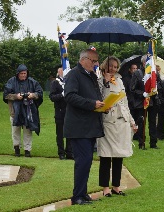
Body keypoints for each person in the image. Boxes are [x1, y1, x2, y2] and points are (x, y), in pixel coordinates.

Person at [63, 49, 106, 205]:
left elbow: (94, 96)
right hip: (78, 127)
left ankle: (83, 193)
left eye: (97, 61)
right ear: (84, 59)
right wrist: (92, 104)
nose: (96, 64)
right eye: (94, 61)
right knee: (83, 161)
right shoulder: (74, 74)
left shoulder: (91, 75)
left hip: (89, 125)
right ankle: (77, 197)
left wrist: (102, 106)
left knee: (87, 161)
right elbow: (69, 96)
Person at [97, 56, 137, 197]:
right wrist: (104, 82)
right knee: (106, 155)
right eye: (110, 66)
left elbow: (124, 102)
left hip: (121, 122)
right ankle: (105, 188)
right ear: (104, 66)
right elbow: (96, 96)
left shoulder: (119, 80)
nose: (113, 69)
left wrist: (132, 121)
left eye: (115, 67)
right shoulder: (98, 78)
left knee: (119, 155)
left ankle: (116, 186)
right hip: (108, 122)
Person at [3, 64, 43, 157]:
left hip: (28, 112)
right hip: (15, 112)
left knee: (27, 131)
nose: (23, 75)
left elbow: (40, 93)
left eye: (25, 73)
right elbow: (6, 95)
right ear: (18, 74)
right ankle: (16, 149)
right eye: (22, 73)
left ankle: (27, 150)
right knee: (15, 131)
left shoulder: (32, 82)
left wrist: (32, 95)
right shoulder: (11, 81)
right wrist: (16, 96)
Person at [130, 54, 160, 149]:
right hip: (141, 102)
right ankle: (141, 143)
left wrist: (155, 89)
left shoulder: (154, 73)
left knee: (153, 123)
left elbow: (159, 84)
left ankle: (153, 143)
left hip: (153, 101)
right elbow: (132, 88)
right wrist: (142, 93)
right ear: (143, 63)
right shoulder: (137, 73)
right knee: (141, 123)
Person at [49, 66, 73, 160]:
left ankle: (69, 152)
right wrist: (61, 95)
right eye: (62, 71)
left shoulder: (70, 82)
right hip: (60, 111)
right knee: (60, 133)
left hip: (70, 111)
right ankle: (61, 153)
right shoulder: (55, 82)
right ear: (58, 72)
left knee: (70, 133)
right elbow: (52, 97)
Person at [122, 63, 138, 140]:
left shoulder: (138, 78)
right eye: (133, 68)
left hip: (137, 101)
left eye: (136, 68)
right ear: (130, 69)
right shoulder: (126, 79)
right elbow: (125, 91)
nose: (135, 70)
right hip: (129, 101)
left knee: (136, 118)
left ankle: (136, 134)